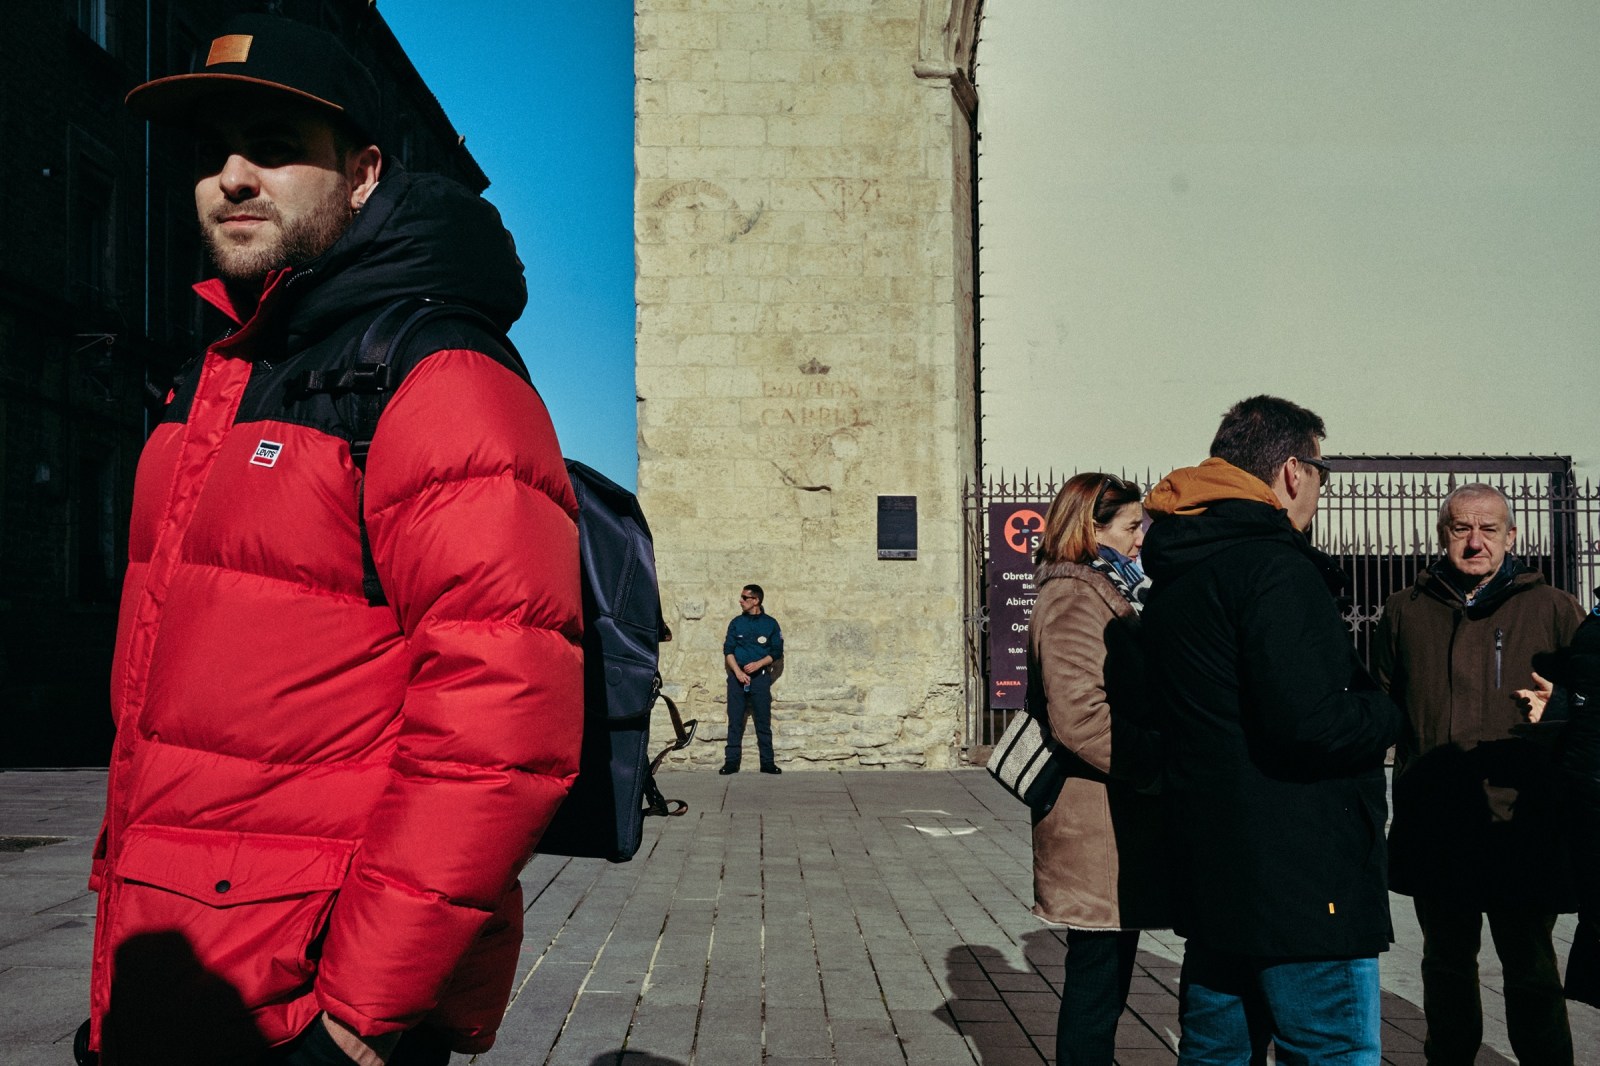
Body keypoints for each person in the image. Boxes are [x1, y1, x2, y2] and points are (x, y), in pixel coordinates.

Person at [83, 15, 582, 1066]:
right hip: (178, 977)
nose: (231, 175)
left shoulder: (432, 373)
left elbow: (500, 721)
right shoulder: (214, 379)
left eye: (273, 144)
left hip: (309, 1000)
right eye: (213, 151)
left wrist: (358, 1018)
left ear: (362, 173)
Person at [1139, 395, 1403, 1065]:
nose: (1319, 490)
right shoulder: (1276, 567)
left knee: (1216, 1054)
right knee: (1333, 1051)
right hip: (1302, 882)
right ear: (1292, 471)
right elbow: (1308, 723)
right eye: (1321, 472)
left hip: (1216, 872)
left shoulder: (1180, 564)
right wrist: (1389, 710)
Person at [1372, 483, 1583, 1065]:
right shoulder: (1404, 610)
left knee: (1532, 969)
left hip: (1524, 823)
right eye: (1461, 529)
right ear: (1443, 536)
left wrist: (1563, 706)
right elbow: (1381, 707)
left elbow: (1594, 703)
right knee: (1444, 965)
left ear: (1512, 536)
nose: (1474, 542)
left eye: (1489, 529)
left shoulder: (1555, 609)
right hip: (1436, 822)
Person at [1026, 473, 1167, 1066]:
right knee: (1095, 980)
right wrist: (1156, 764)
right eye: (1133, 526)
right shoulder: (1073, 596)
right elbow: (1079, 718)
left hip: (1110, 817)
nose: (1142, 539)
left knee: (1105, 978)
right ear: (1093, 528)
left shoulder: (1104, 590)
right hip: (1094, 820)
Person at [720, 584, 783, 774]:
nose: (740, 601)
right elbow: (728, 650)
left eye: (744, 597)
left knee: (763, 721)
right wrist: (738, 672)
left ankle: (767, 762)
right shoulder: (736, 623)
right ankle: (731, 762)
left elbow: (776, 652)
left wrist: (759, 664)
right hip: (737, 679)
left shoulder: (770, 624)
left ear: (756, 600)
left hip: (760, 679)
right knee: (735, 721)